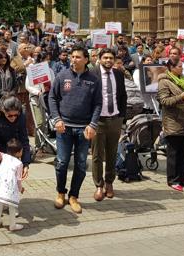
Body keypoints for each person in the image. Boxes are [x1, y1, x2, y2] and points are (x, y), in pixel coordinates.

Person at [48, 46, 102, 213]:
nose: (74, 59)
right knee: (62, 162)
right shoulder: (62, 76)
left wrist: (93, 124)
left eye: (78, 57)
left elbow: (98, 104)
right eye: (72, 56)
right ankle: (60, 193)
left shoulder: (94, 79)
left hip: (84, 129)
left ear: (86, 59)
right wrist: (56, 119)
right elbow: (52, 98)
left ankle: (74, 196)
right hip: (64, 128)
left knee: (80, 164)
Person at [91, 48, 127, 201]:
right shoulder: (92, 73)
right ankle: (98, 185)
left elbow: (123, 95)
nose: (108, 60)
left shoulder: (118, 74)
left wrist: (122, 116)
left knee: (112, 153)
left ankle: (109, 183)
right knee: (97, 155)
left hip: (115, 119)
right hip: (98, 120)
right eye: (105, 57)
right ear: (99, 59)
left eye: (111, 58)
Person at [157, 60, 184, 192]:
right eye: (180, 67)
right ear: (171, 68)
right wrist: (181, 96)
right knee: (173, 152)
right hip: (172, 121)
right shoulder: (164, 81)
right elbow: (164, 101)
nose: (182, 69)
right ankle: (173, 180)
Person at [0, 97, 32, 177]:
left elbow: (24, 139)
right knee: (0, 177)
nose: (13, 117)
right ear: (3, 110)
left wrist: (26, 163)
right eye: (10, 115)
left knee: (14, 177)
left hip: (14, 148)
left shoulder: (21, 115)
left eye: (15, 115)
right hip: (0, 149)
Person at [0, 138, 25, 232]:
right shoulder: (19, 163)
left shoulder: (4, 156)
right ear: (18, 152)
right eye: (22, 151)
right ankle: (12, 225)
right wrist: (20, 188)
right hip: (10, 185)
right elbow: (18, 179)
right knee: (12, 205)